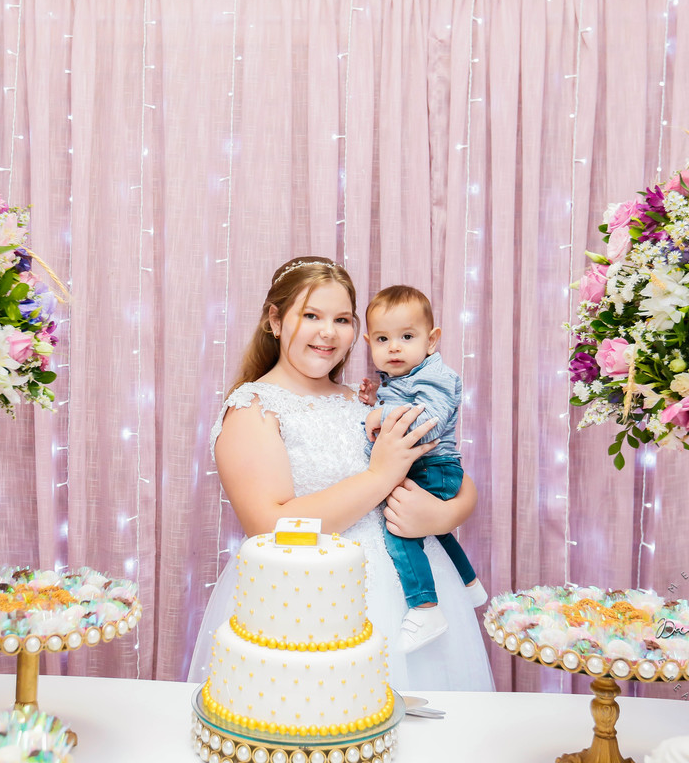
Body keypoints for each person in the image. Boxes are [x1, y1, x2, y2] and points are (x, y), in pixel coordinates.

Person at [187, 256, 494, 692]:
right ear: (275, 320)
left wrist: (444, 515)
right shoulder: (253, 409)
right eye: (311, 315)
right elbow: (268, 526)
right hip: (314, 600)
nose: (328, 332)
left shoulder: (368, 400)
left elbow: (447, 471)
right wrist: (379, 477)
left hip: (418, 600)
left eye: (342, 319)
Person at [359, 285, 487, 656]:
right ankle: (468, 582)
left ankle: (425, 607)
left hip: (433, 466)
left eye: (407, 337)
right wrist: (375, 397)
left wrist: (380, 413)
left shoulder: (437, 375)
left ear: (431, 340)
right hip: (424, 466)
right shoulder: (403, 376)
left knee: (399, 528)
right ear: (369, 343)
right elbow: (404, 399)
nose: (394, 348)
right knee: (435, 532)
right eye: (382, 339)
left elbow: (428, 423)